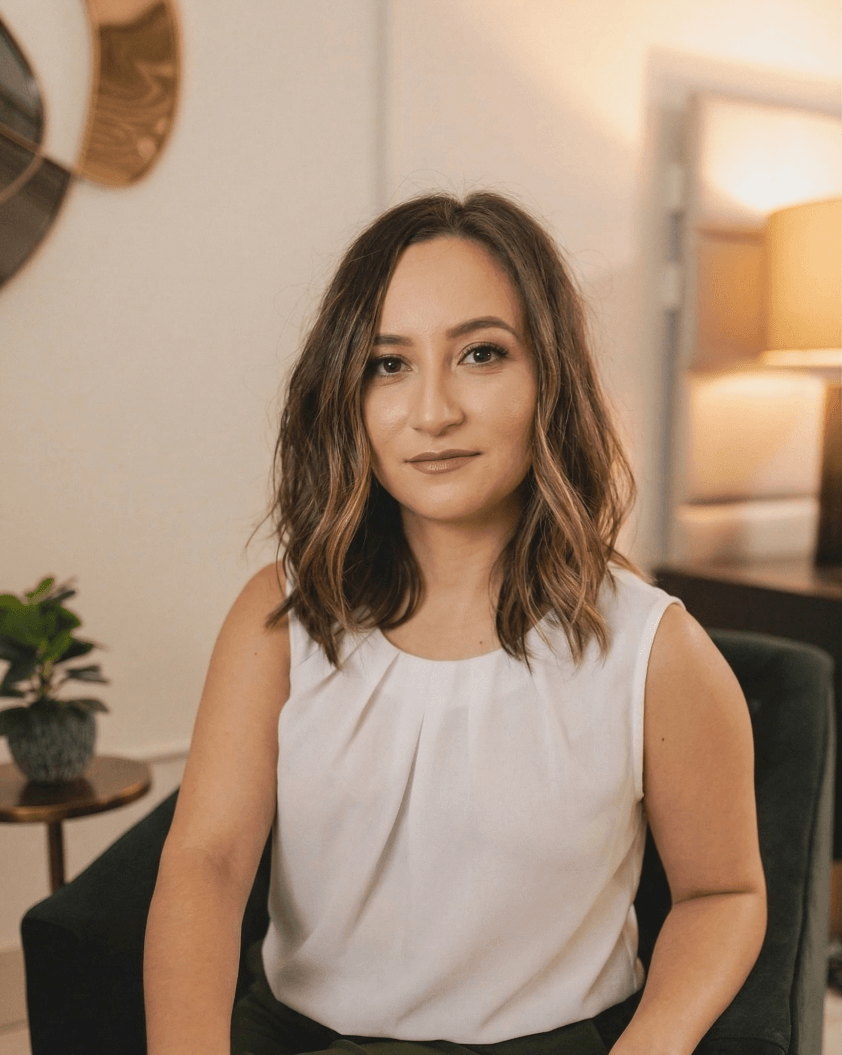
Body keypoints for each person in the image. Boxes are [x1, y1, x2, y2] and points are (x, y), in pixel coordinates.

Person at [144, 192, 766, 1055]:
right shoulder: (280, 612)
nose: (432, 412)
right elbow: (206, 862)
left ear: (549, 375)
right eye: (388, 364)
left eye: (481, 353)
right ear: (347, 392)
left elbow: (722, 892)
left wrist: (650, 1044)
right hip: (295, 1039)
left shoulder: (656, 650)